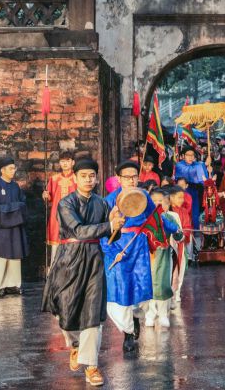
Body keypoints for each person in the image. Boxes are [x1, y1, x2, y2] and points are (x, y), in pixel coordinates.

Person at [42, 158, 125, 386]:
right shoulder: (65, 203)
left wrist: (117, 224)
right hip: (69, 257)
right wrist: (108, 226)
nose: (89, 179)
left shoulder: (103, 203)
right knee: (64, 308)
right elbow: (77, 230)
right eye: (84, 175)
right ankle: (75, 345)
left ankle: (91, 366)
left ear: (97, 178)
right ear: (76, 178)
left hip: (94, 259)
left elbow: (111, 236)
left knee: (92, 313)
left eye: (92, 175)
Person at [103, 160, 156, 355]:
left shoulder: (144, 197)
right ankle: (127, 334)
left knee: (140, 291)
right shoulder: (110, 200)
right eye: (127, 177)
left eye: (134, 176)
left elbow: (155, 219)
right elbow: (102, 231)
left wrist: (173, 229)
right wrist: (110, 252)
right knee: (121, 291)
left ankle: (135, 318)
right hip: (118, 247)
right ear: (119, 179)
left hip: (139, 246)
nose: (131, 180)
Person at [0, 157, 28, 297]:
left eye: (14, 168)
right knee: (0, 256)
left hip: (16, 226)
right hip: (2, 226)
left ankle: (13, 284)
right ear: (2, 170)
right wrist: (11, 212)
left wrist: (9, 210)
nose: (13, 171)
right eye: (10, 168)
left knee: (15, 256)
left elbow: (23, 204)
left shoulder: (16, 186)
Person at [145, 189, 183, 328]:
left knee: (162, 285)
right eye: (153, 201)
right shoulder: (144, 218)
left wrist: (177, 232)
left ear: (167, 204)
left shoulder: (169, 218)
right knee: (148, 285)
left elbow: (180, 236)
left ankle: (162, 315)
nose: (157, 204)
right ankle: (149, 314)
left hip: (163, 255)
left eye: (161, 202)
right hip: (147, 255)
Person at [43, 151, 77, 267]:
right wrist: (46, 196)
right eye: (62, 161)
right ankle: (54, 271)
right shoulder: (54, 179)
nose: (65, 163)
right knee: (55, 246)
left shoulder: (77, 178)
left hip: (73, 215)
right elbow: (50, 198)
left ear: (73, 162)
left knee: (73, 243)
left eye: (67, 161)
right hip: (56, 216)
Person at [174, 148, 210, 249]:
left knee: (195, 213)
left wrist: (207, 167)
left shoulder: (197, 164)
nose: (190, 157)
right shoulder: (179, 165)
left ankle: (195, 235)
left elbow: (203, 178)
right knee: (183, 213)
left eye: (192, 155)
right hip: (182, 191)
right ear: (183, 156)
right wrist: (204, 165)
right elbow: (189, 171)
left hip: (195, 191)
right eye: (188, 155)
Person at [169, 185, 192, 303]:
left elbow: (187, 226)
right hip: (169, 243)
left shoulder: (183, 211)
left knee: (181, 267)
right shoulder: (168, 211)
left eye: (182, 197)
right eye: (179, 198)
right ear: (171, 198)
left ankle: (177, 292)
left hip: (180, 244)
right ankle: (169, 293)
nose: (182, 200)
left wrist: (183, 235)